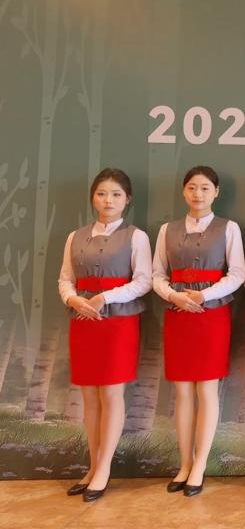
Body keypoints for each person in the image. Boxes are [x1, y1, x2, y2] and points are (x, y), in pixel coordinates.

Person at [58, 168, 152, 502]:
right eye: (101, 194)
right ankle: (92, 466)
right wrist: (73, 300)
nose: (108, 200)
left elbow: (143, 281)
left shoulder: (136, 237)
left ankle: (104, 469)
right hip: (83, 319)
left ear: (128, 199)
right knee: (89, 396)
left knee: (111, 393)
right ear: (92, 198)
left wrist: (106, 297)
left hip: (118, 322)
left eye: (115, 194)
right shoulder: (75, 236)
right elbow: (65, 279)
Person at [152, 166, 245, 496]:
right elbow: (157, 274)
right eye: (192, 187)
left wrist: (204, 295)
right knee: (182, 392)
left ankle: (200, 464)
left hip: (211, 314)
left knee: (206, 391)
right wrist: (174, 296)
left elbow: (237, 274)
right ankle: (184, 463)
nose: (198, 194)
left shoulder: (229, 228)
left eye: (205, 188)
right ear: (183, 191)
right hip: (178, 313)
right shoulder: (168, 230)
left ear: (216, 192)